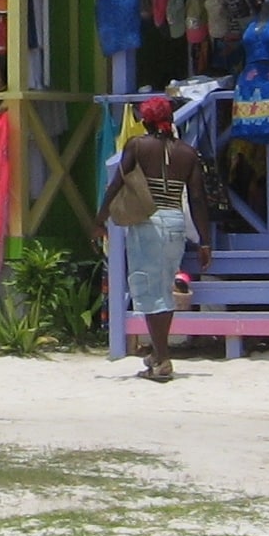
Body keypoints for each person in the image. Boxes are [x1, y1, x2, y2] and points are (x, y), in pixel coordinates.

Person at [94, 96, 211, 382]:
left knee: (148, 290)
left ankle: (162, 359)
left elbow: (117, 183)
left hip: (148, 224)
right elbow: (196, 198)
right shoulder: (188, 153)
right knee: (164, 289)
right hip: (174, 222)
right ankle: (159, 355)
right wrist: (205, 241)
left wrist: (100, 219)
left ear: (145, 121)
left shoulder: (137, 146)